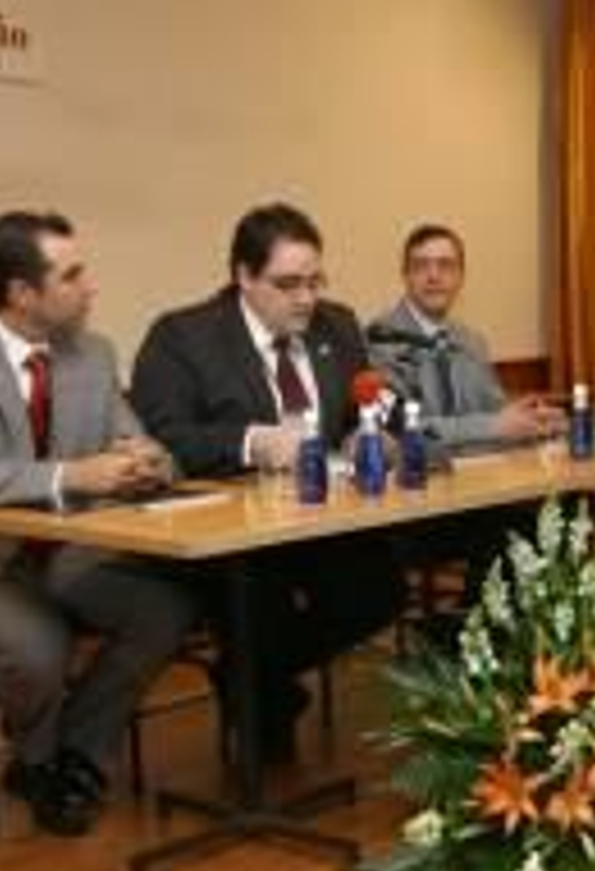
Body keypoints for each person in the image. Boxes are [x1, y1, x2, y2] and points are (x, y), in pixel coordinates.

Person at [0, 211, 197, 836]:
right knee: (36, 646)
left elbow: (145, 445)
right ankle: (42, 762)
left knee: (165, 611)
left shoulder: (93, 355)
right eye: (72, 275)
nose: (91, 287)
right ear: (22, 293)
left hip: (70, 549)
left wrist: (149, 461)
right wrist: (71, 475)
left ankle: (71, 752)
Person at [130, 203, 402, 762]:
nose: (306, 299)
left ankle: (249, 677)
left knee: (378, 589)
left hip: (323, 518)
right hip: (228, 530)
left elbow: (373, 405)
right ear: (244, 277)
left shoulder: (337, 325)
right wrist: (252, 441)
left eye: (315, 281)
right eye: (288, 284)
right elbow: (166, 435)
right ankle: (262, 705)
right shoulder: (183, 337)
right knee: (257, 600)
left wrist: (376, 434)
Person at [366, 223, 563, 627]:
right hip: (414, 502)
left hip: (476, 491)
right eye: (421, 265)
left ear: (461, 276)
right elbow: (407, 429)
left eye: (446, 265)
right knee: (514, 531)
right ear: (405, 275)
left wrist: (528, 417)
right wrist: (495, 425)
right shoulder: (379, 340)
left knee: (565, 512)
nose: (434, 275)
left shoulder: (471, 341)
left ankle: (516, 637)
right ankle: (470, 636)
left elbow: (493, 412)